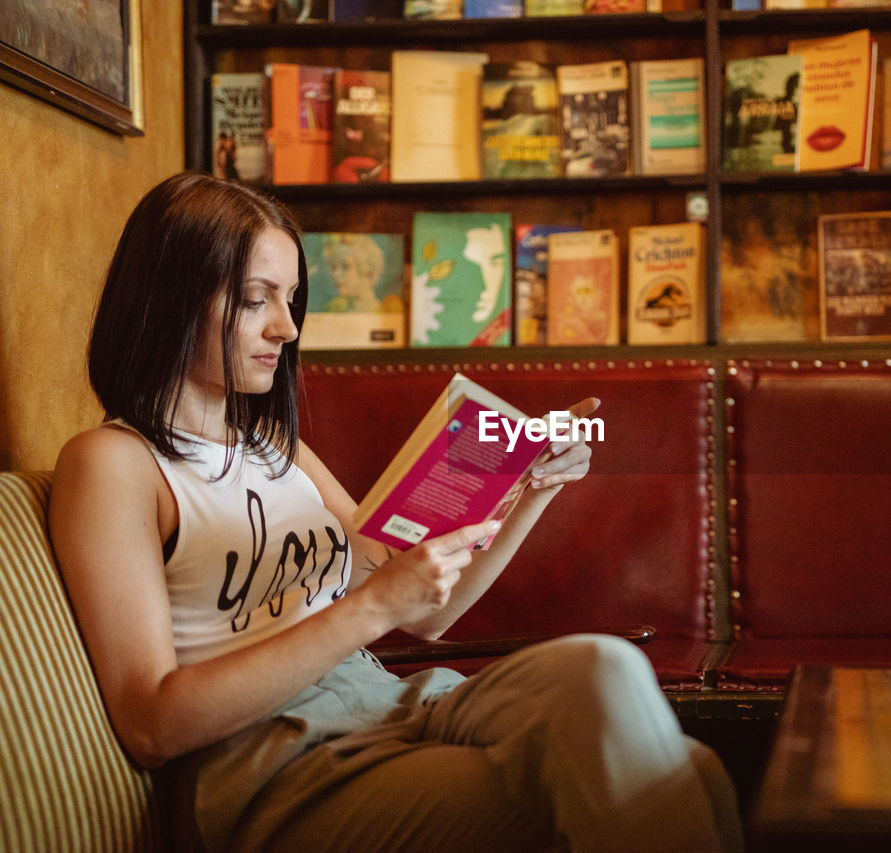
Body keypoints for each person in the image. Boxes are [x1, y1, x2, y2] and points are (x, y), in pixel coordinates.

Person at [48, 172, 742, 853]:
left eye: (291, 299)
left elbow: (428, 611)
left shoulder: (272, 443)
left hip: (393, 702)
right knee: (665, 780)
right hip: (278, 764)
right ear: (169, 300)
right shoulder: (114, 464)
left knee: (604, 667)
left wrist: (533, 487)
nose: (286, 327)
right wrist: (370, 608)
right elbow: (150, 723)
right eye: (256, 298)